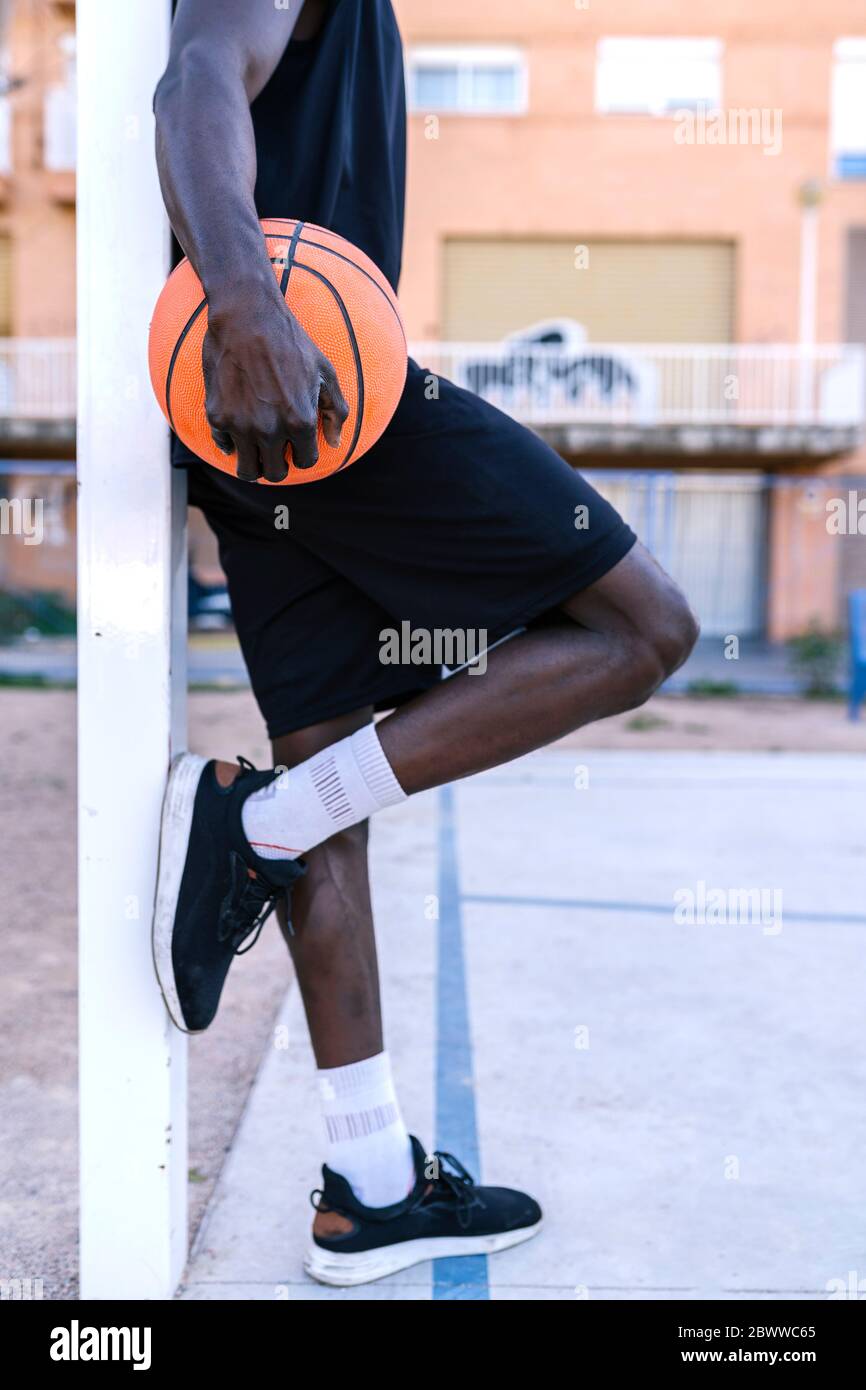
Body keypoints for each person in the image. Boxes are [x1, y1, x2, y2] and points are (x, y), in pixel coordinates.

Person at [151, 0, 699, 1287]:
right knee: (643, 626)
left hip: (263, 413)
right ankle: (265, 824)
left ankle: (370, 1185)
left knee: (331, 771)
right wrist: (244, 302)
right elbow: (192, 85)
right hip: (307, 367)